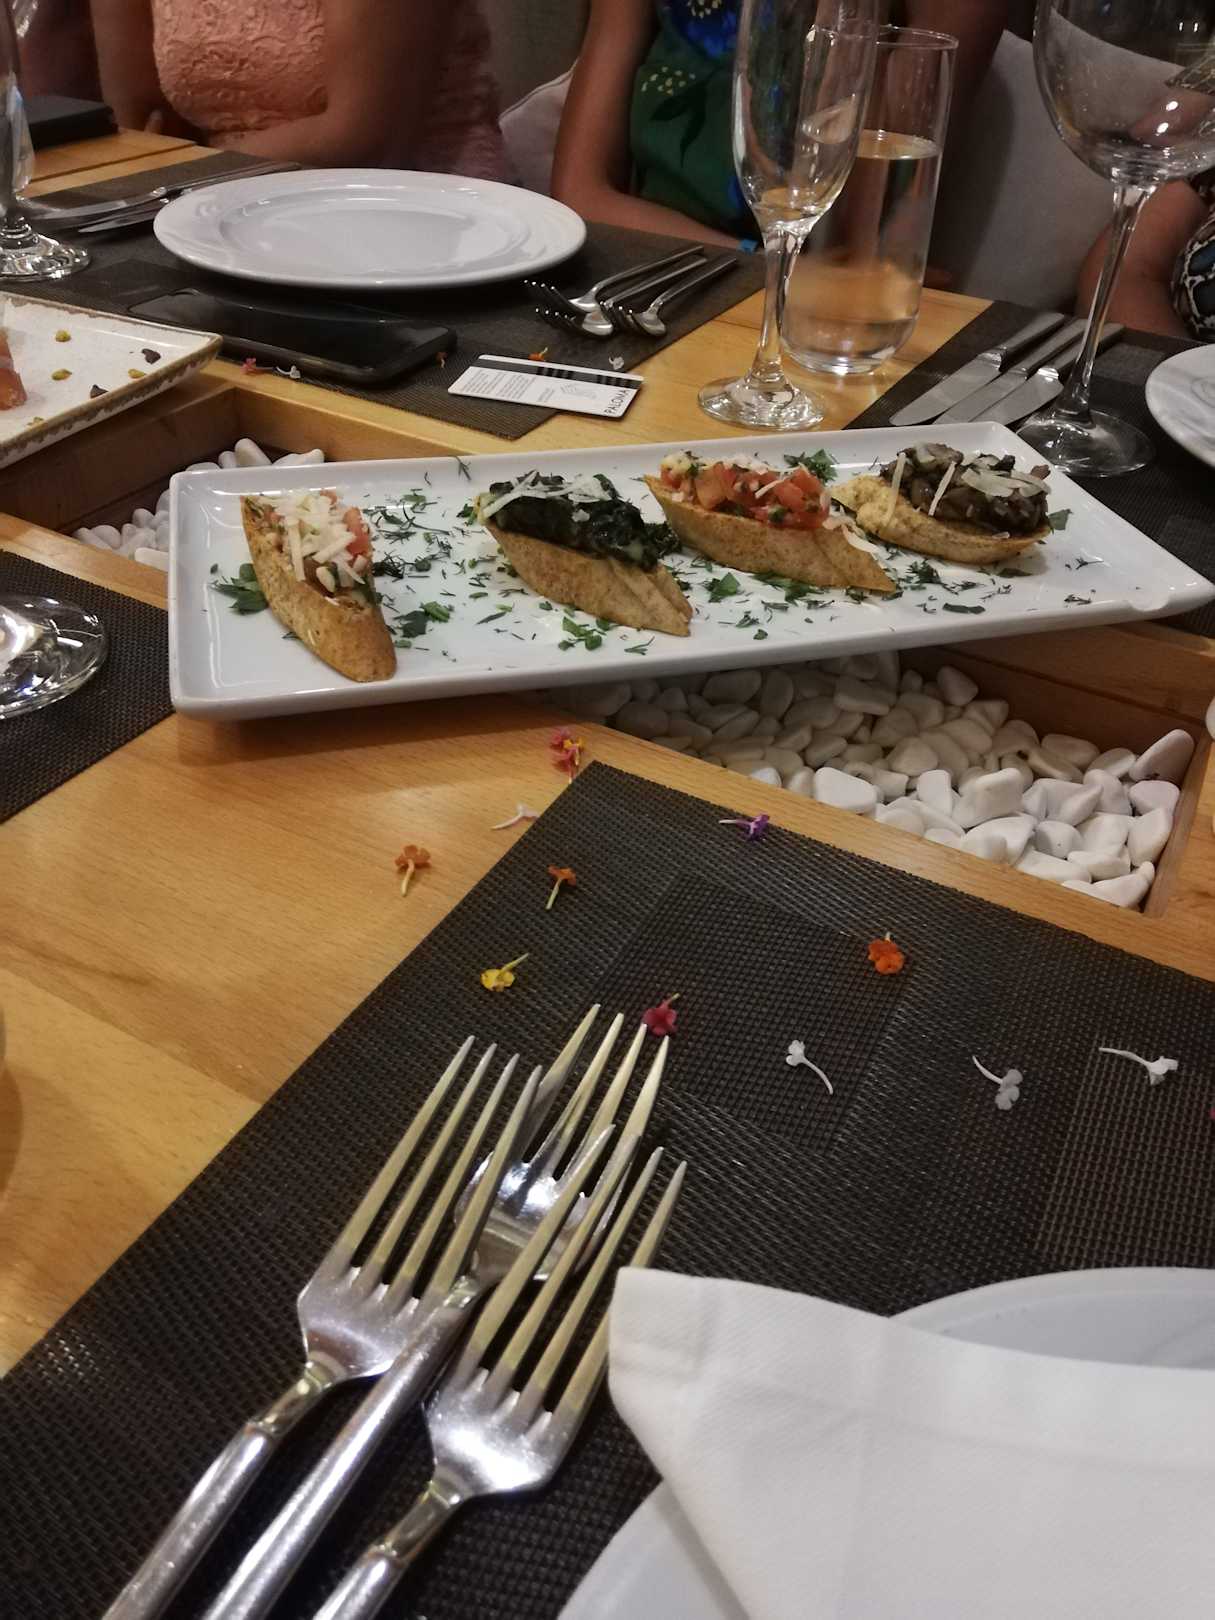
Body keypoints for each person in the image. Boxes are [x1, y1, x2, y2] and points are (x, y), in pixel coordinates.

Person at [551, 0, 1011, 247]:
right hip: (651, 279)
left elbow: (854, 245)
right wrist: (753, 263)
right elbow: (580, 195)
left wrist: (843, 20)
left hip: (815, 325)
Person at [89, 0, 509, 180]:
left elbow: (359, 142)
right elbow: (142, 122)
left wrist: (179, 179)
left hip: (416, 207)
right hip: (213, 209)